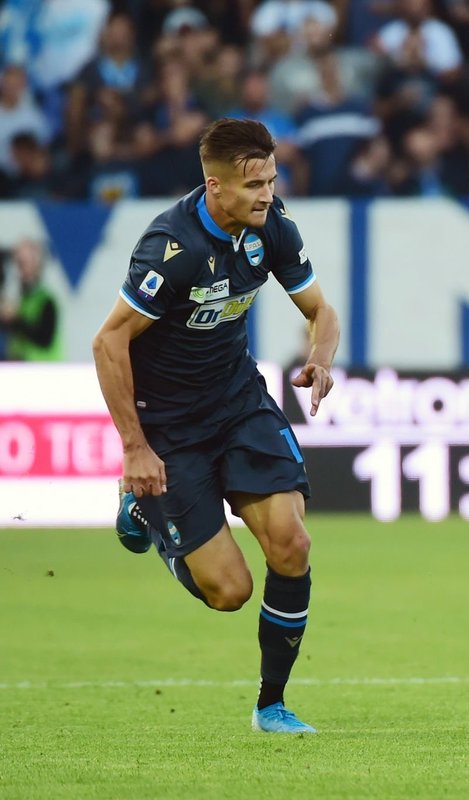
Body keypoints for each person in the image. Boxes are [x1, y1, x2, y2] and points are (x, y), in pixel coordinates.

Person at [91, 118, 340, 733]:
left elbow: (320, 310)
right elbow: (108, 342)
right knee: (230, 592)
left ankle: (271, 705)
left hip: (237, 405)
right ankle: (147, 510)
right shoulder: (168, 248)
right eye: (255, 185)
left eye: (272, 181)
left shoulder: (272, 228)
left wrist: (320, 357)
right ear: (215, 186)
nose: (267, 195)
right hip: (170, 428)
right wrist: (134, 449)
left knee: (293, 543)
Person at [0, 239, 61, 361]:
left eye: (22, 263)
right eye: (15, 263)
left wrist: (14, 320)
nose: (18, 270)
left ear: (37, 266)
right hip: (19, 367)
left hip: (44, 369)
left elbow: (44, 339)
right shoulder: (18, 299)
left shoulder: (46, 301)